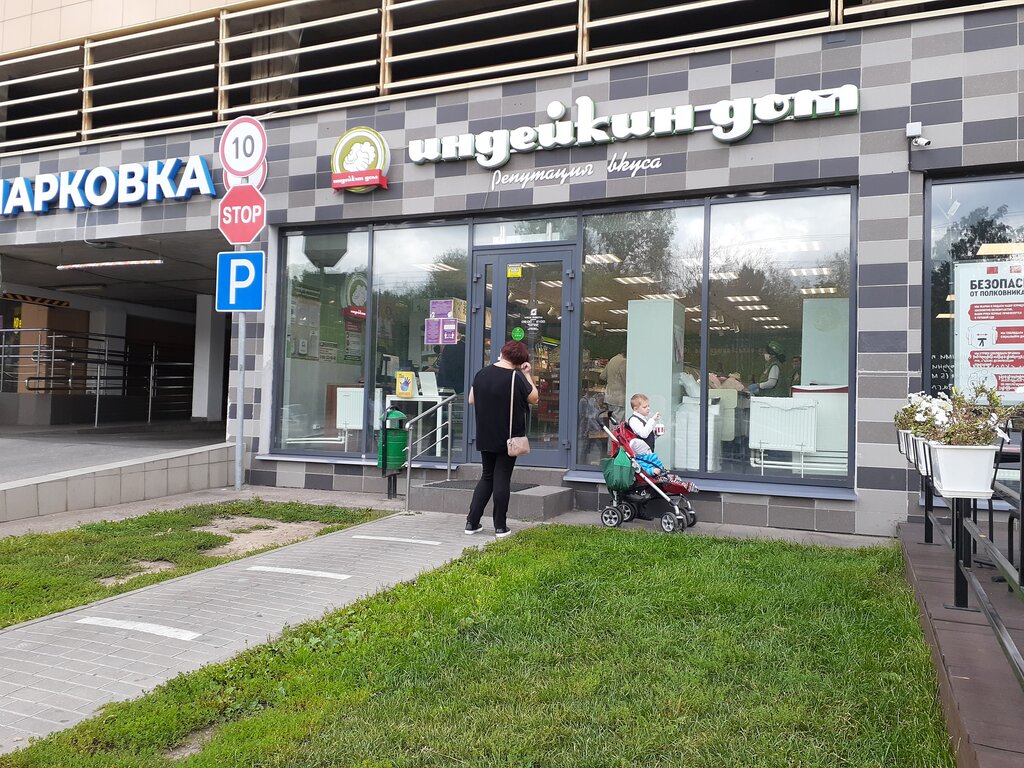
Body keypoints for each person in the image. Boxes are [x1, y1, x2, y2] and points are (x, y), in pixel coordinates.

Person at [465, 340, 539, 537]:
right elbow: (534, 398)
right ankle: (500, 526)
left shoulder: (481, 374)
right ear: (521, 360)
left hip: (485, 433)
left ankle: (472, 522)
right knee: (502, 478)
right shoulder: (516, 376)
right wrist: (527, 374)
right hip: (508, 436)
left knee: (487, 476)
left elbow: (471, 399)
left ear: (502, 353)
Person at [600, 349, 627, 422]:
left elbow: (602, 376)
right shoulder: (623, 361)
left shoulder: (612, 359)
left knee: (611, 420)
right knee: (618, 423)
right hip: (619, 398)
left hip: (609, 397)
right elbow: (626, 381)